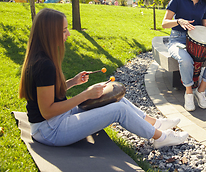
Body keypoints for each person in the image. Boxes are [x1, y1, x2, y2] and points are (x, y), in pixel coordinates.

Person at [18, 8, 188, 148]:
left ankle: (154, 124)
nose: (68, 34)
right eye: (63, 30)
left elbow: (49, 93)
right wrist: (85, 95)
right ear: (49, 33)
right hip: (50, 130)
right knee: (118, 111)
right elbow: (47, 111)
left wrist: (73, 82)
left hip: (57, 121)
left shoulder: (42, 58)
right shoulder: (44, 65)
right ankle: (160, 138)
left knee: (116, 101)